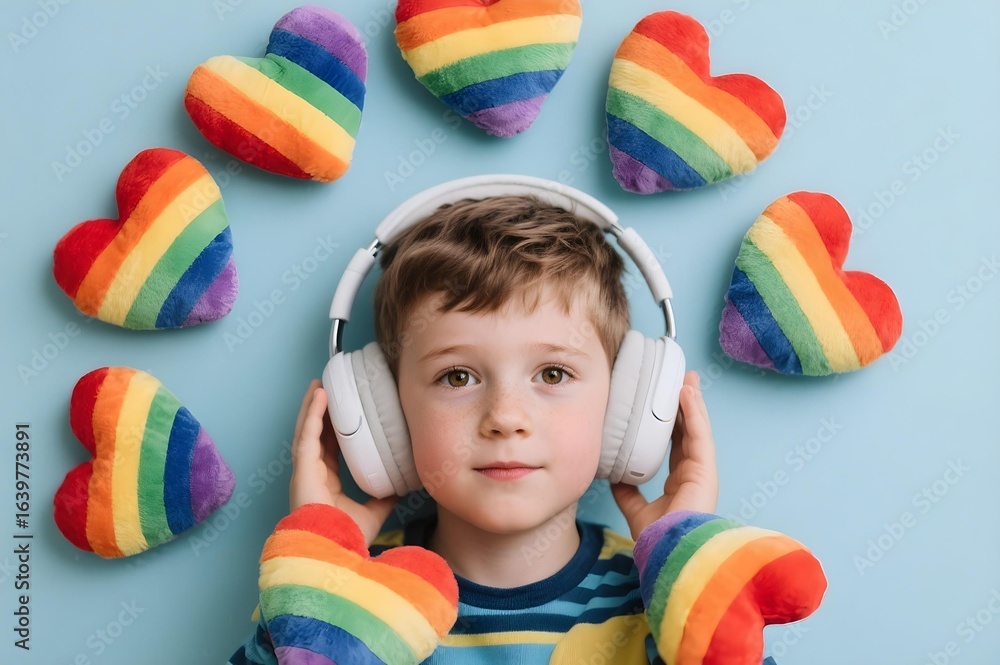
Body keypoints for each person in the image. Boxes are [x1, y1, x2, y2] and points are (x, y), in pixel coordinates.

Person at [229, 195, 814, 664]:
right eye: (456, 376)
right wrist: (323, 557)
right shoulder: (343, 596)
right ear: (382, 414)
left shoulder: (663, 597)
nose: (505, 416)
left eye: (553, 372)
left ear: (625, 408)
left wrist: (686, 560)